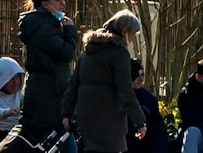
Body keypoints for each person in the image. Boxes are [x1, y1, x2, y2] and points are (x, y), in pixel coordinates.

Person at [62, 9, 148, 152]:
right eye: (133, 34)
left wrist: (67, 112)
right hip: (109, 115)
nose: (132, 38)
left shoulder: (89, 50)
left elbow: (74, 82)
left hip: (85, 112)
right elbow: (125, 90)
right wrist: (139, 121)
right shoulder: (119, 53)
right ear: (125, 31)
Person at [17, 0, 79, 143]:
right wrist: (71, 31)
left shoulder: (41, 25)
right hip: (48, 94)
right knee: (58, 140)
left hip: (43, 91)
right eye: (57, 0)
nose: (62, 3)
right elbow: (66, 52)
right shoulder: (45, 28)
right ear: (45, 5)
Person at [130, 60, 171, 153]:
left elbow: (158, 122)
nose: (141, 79)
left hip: (147, 140)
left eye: (142, 75)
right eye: (136, 76)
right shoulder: (117, 97)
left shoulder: (148, 97)